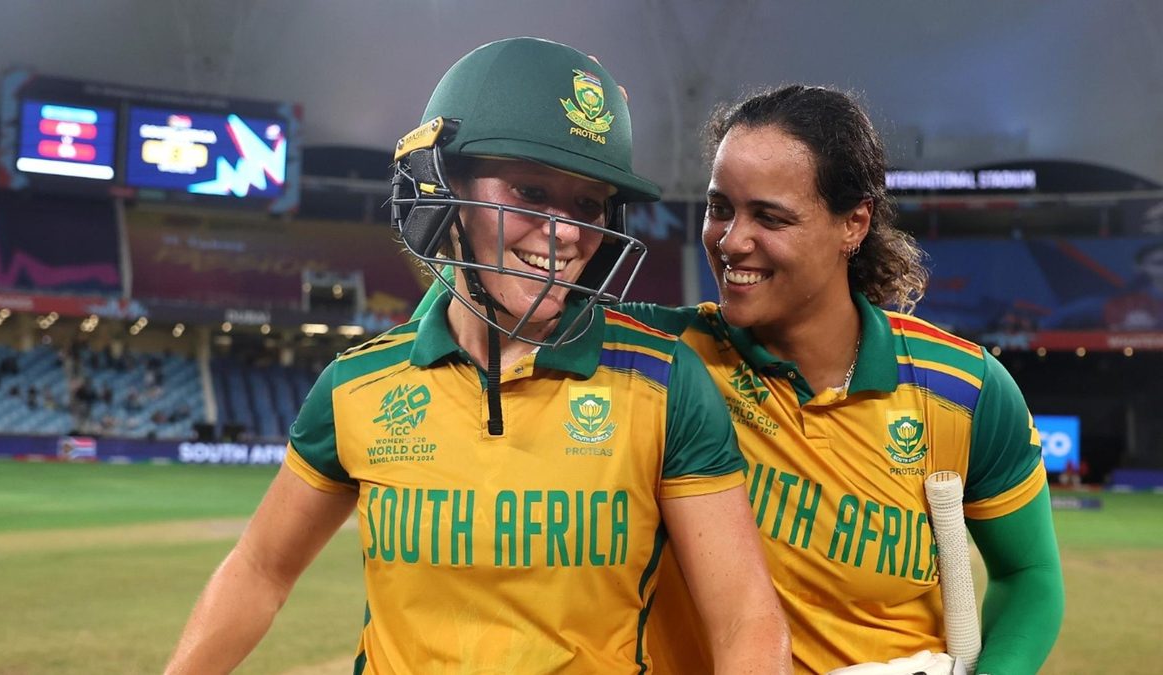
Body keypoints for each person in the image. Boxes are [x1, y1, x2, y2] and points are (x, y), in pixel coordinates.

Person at [165, 37, 791, 675]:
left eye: (585, 203)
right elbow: (260, 570)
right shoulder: (356, 384)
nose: (568, 234)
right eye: (530, 191)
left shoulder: (665, 382)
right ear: (443, 190)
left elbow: (746, 619)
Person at [415, 84, 1065, 674]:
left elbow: (1030, 575)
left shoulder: (964, 388)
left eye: (770, 218)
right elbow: (481, 310)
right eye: (720, 208)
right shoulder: (661, 353)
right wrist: (492, 195)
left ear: (854, 224)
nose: (730, 240)